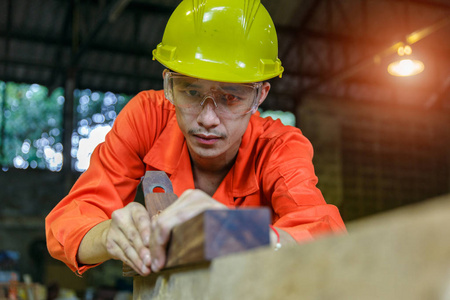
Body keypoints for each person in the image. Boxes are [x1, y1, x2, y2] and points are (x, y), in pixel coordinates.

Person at [45, 0, 346, 277]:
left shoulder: (278, 147)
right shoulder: (148, 118)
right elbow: (68, 221)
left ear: (259, 96)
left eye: (230, 97)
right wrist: (108, 235)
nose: (207, 118)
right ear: (168, 84)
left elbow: (327, 236)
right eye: (191, 92)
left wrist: (235, 232)